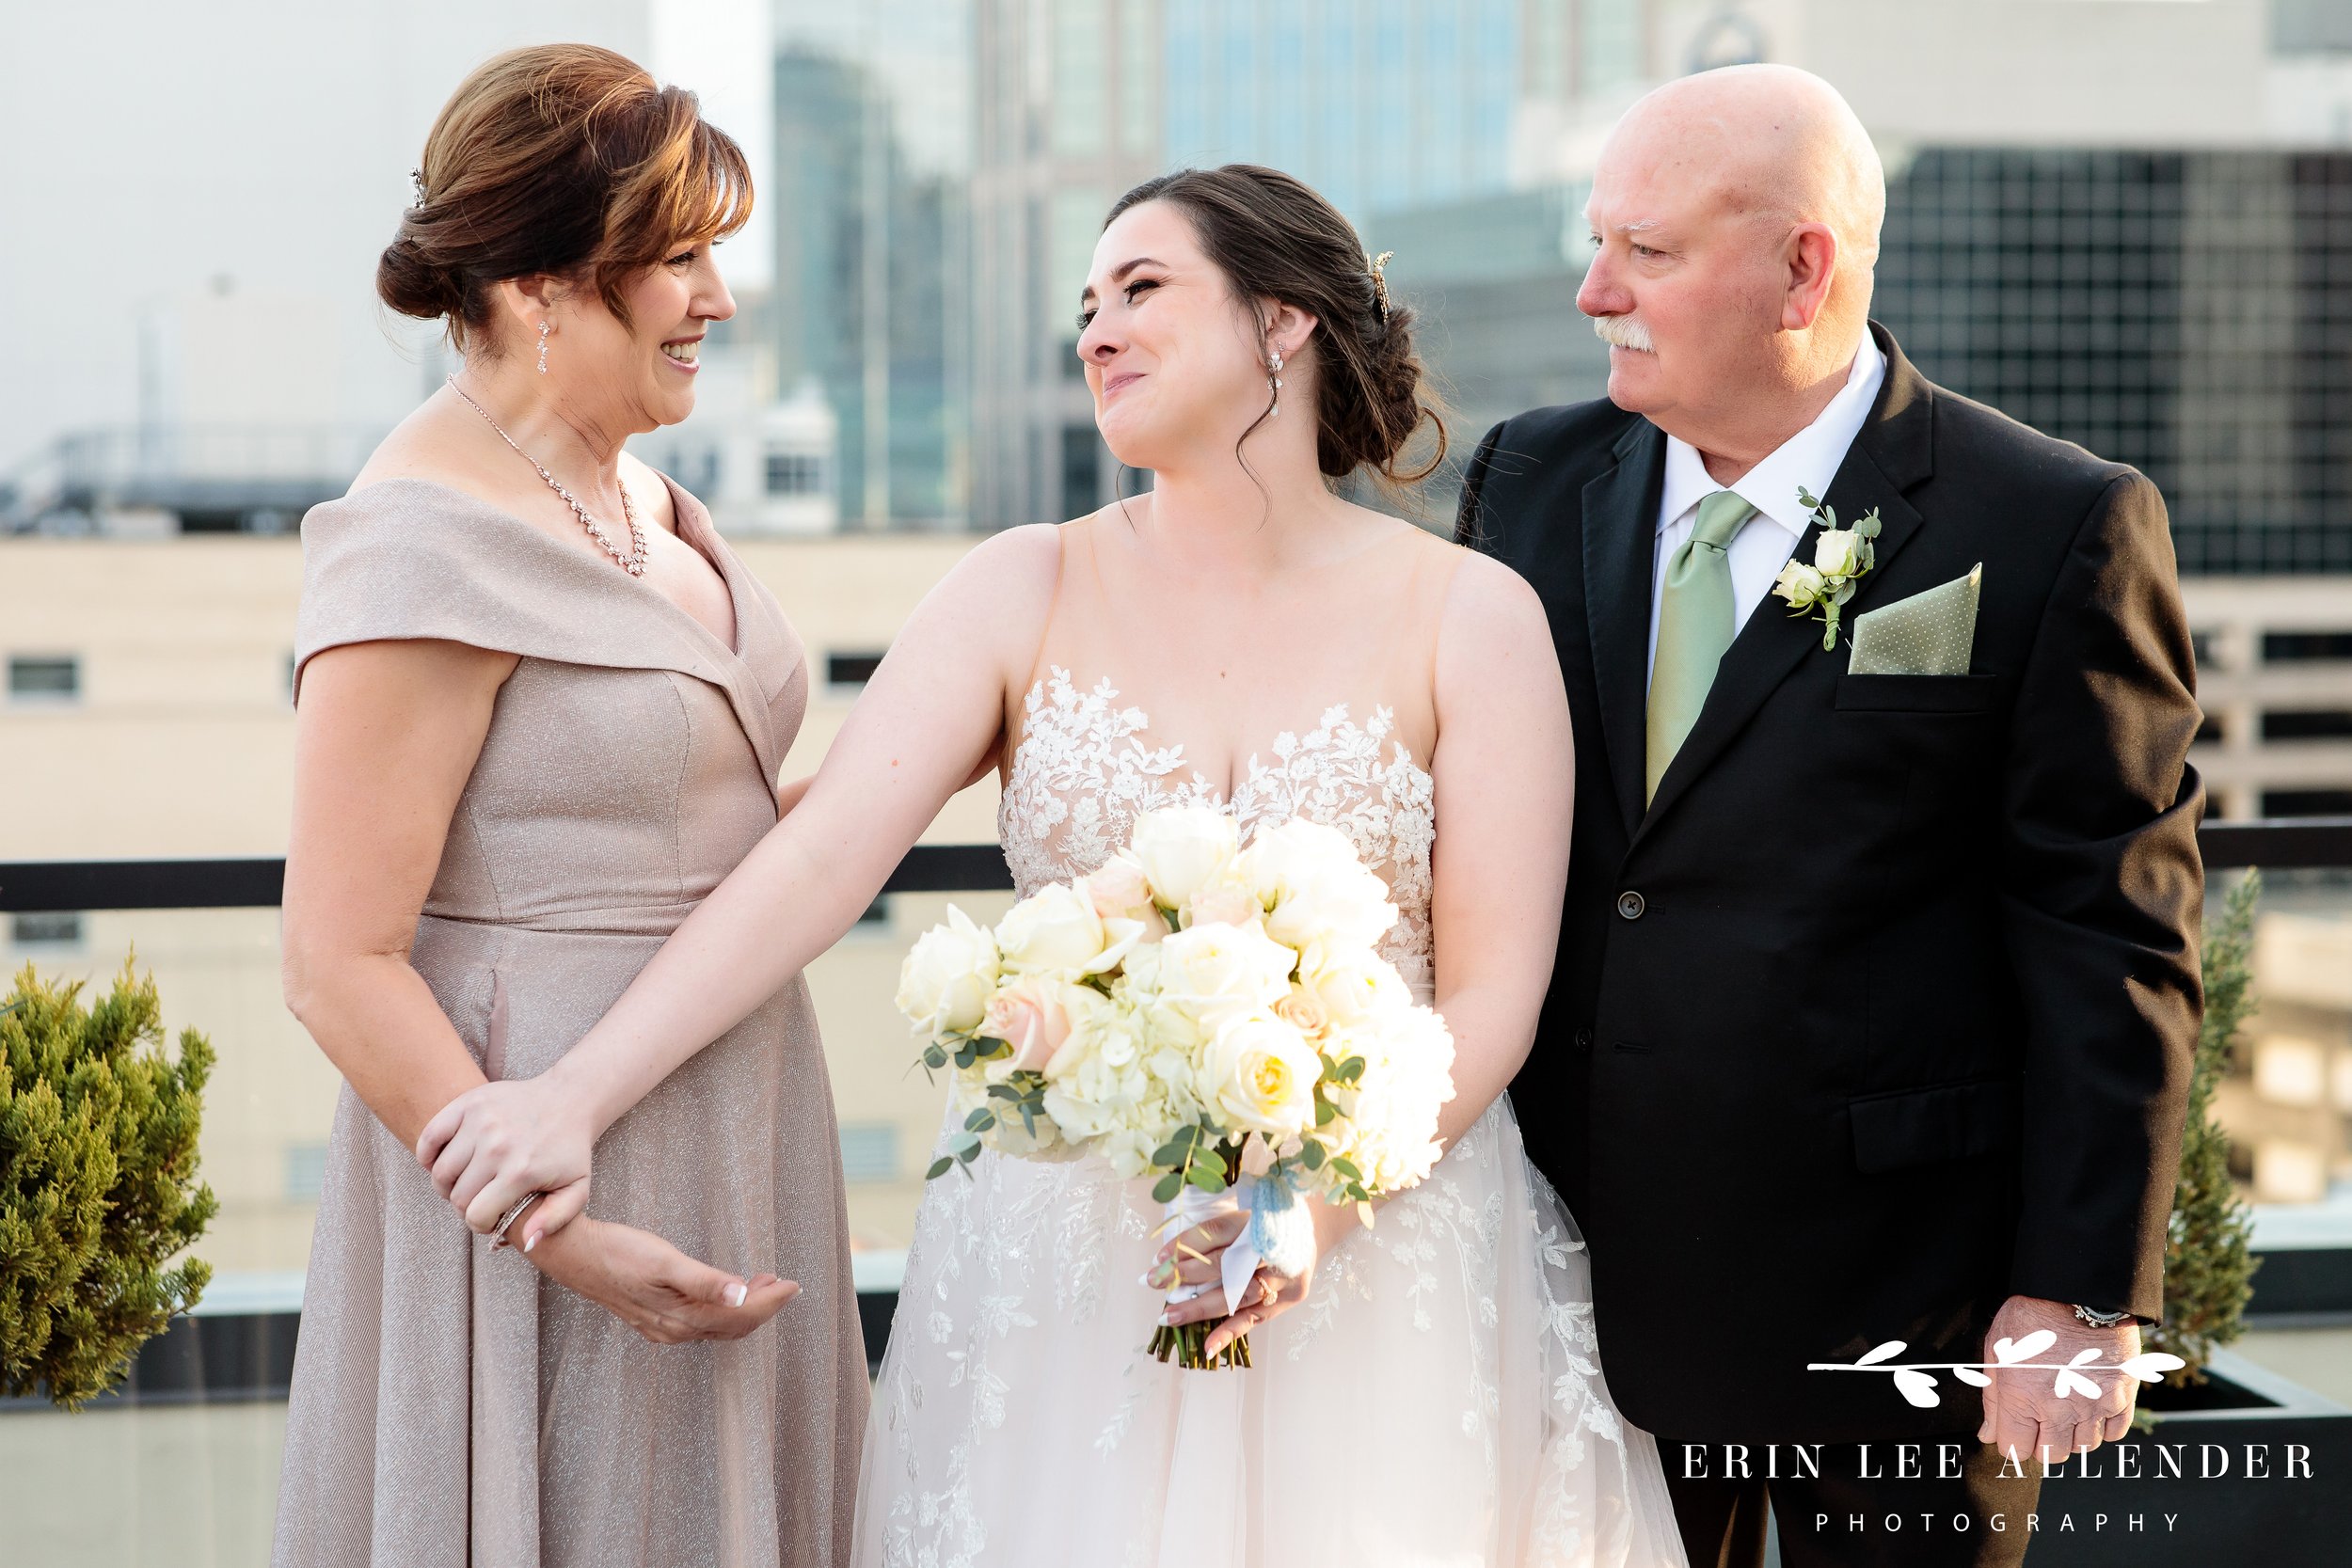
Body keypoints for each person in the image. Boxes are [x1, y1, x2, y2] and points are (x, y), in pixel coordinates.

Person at [416, 164, 1690, 1564]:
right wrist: (572, 1099)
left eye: (1143, 290)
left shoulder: (1475, 614)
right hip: (1067, 1268)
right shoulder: (1020, 584)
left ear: (1283, 324)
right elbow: (816, 862)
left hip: (1384, 1254)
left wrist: (1305, 1211)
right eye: (1087, 305)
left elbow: (1494, 1001)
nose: (1095, 331)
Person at [1454, 65, 2203, 1568]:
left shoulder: (2048, 522)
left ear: (1803, 269)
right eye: (1598, 241)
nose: (1596, 289)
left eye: (1646, 251)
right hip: (1570, 1269)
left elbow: (2106, 922)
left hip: (1901, 1302)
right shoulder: (1529, 481)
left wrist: (2076, 1292)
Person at [273, 44, 865, 1568]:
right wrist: (559, 1234)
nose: (719, 301)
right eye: (677, 261)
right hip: (549, 1177)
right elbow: (338, 959)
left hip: (742, 1108)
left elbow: (699, 810)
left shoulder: (652, 500)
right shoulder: (421, 543)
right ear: (543, 284)